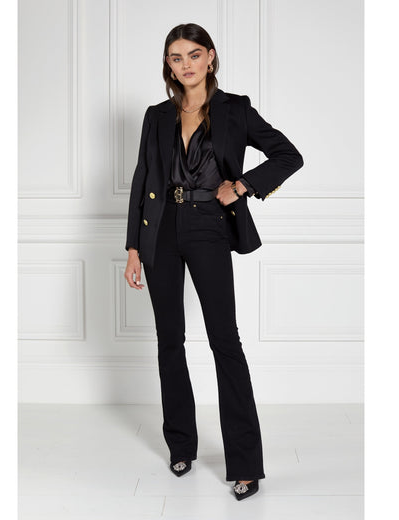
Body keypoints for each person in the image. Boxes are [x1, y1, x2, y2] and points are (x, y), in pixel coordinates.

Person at [124, 23, 304, 501]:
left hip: (209, 225)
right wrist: (133, 247)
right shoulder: (156, 116)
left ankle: (245, 464)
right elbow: (143, 178)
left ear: (210, 57)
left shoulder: (235, 109)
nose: (185, 64)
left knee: (225, 341)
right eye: (176, 57)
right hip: (161, 231)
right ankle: (181, 445)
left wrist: (242, 185)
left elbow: (288, 155)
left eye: (193, 54)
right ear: (168, 65)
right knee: (170, 340)